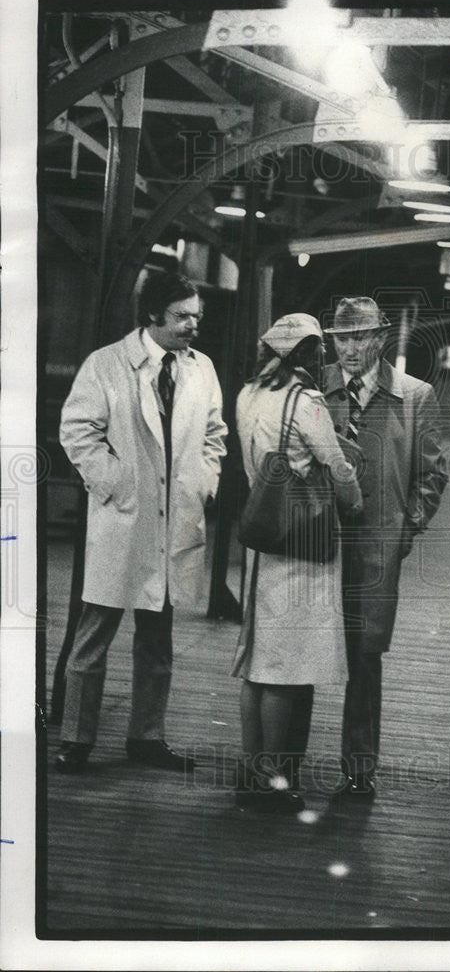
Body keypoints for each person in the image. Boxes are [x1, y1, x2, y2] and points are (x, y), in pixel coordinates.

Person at [54, 271, 227, 774]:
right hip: (123, 518)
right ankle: (77, 738)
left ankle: (147, 737)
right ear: (153, 315)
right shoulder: (107, 364)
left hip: (175, 520)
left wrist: (204, 481)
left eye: (197, 315)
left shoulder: (202, 368)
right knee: (93, 636)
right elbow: (78, 431)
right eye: (182, 316)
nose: (193, 325)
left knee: (158, 639)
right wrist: (116, 483)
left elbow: (215, 432)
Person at [232, 313, 363, 814]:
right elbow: (335, 463)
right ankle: (272, 781)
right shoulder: (303, 401)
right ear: (309, 354)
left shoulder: (248, 394)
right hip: (301, 543)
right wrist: (352, 498)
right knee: (286, 667)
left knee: (257, 666)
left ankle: (250, 771)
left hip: (260, 538)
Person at [323, 296, 448, 797]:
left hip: (378, 546)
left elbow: (432, 473)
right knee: (302, 646)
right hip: (317, 542)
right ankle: (281, 761)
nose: (349, 349)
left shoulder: (415, 397)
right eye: (341, 339)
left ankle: (359, 765)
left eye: (359, 338)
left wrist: (406, 530)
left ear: (379, 338)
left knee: (365, 653)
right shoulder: (317, 389)